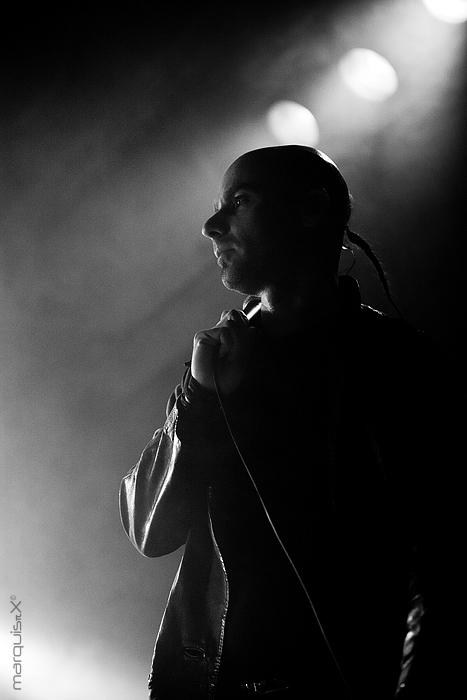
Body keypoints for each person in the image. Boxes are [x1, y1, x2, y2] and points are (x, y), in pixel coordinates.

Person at [119, 145, 460, 699]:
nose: (211, 225)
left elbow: (438, 560)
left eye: (240, 202)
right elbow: (150, 533)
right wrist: (201, 397)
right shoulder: (217, 361)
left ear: (311, 209)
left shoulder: (399, 365)